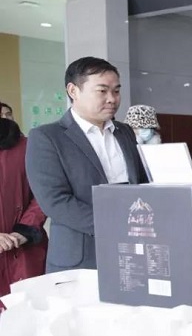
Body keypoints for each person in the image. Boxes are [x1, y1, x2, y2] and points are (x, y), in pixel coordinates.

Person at [26, 57, 148, 272]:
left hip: (131, 250)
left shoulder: (125, 132)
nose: (112, 99)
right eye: (102, 91)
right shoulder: (47, 137)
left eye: (116, 91)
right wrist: (117, 225)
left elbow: (139, 182)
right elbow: (55, 201)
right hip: (81, 257)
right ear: (73, 91)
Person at [0, 118, 47, 297]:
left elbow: (46, 193)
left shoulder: (28, 147)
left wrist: (26, 229)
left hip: (25, 251)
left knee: (31, 308)